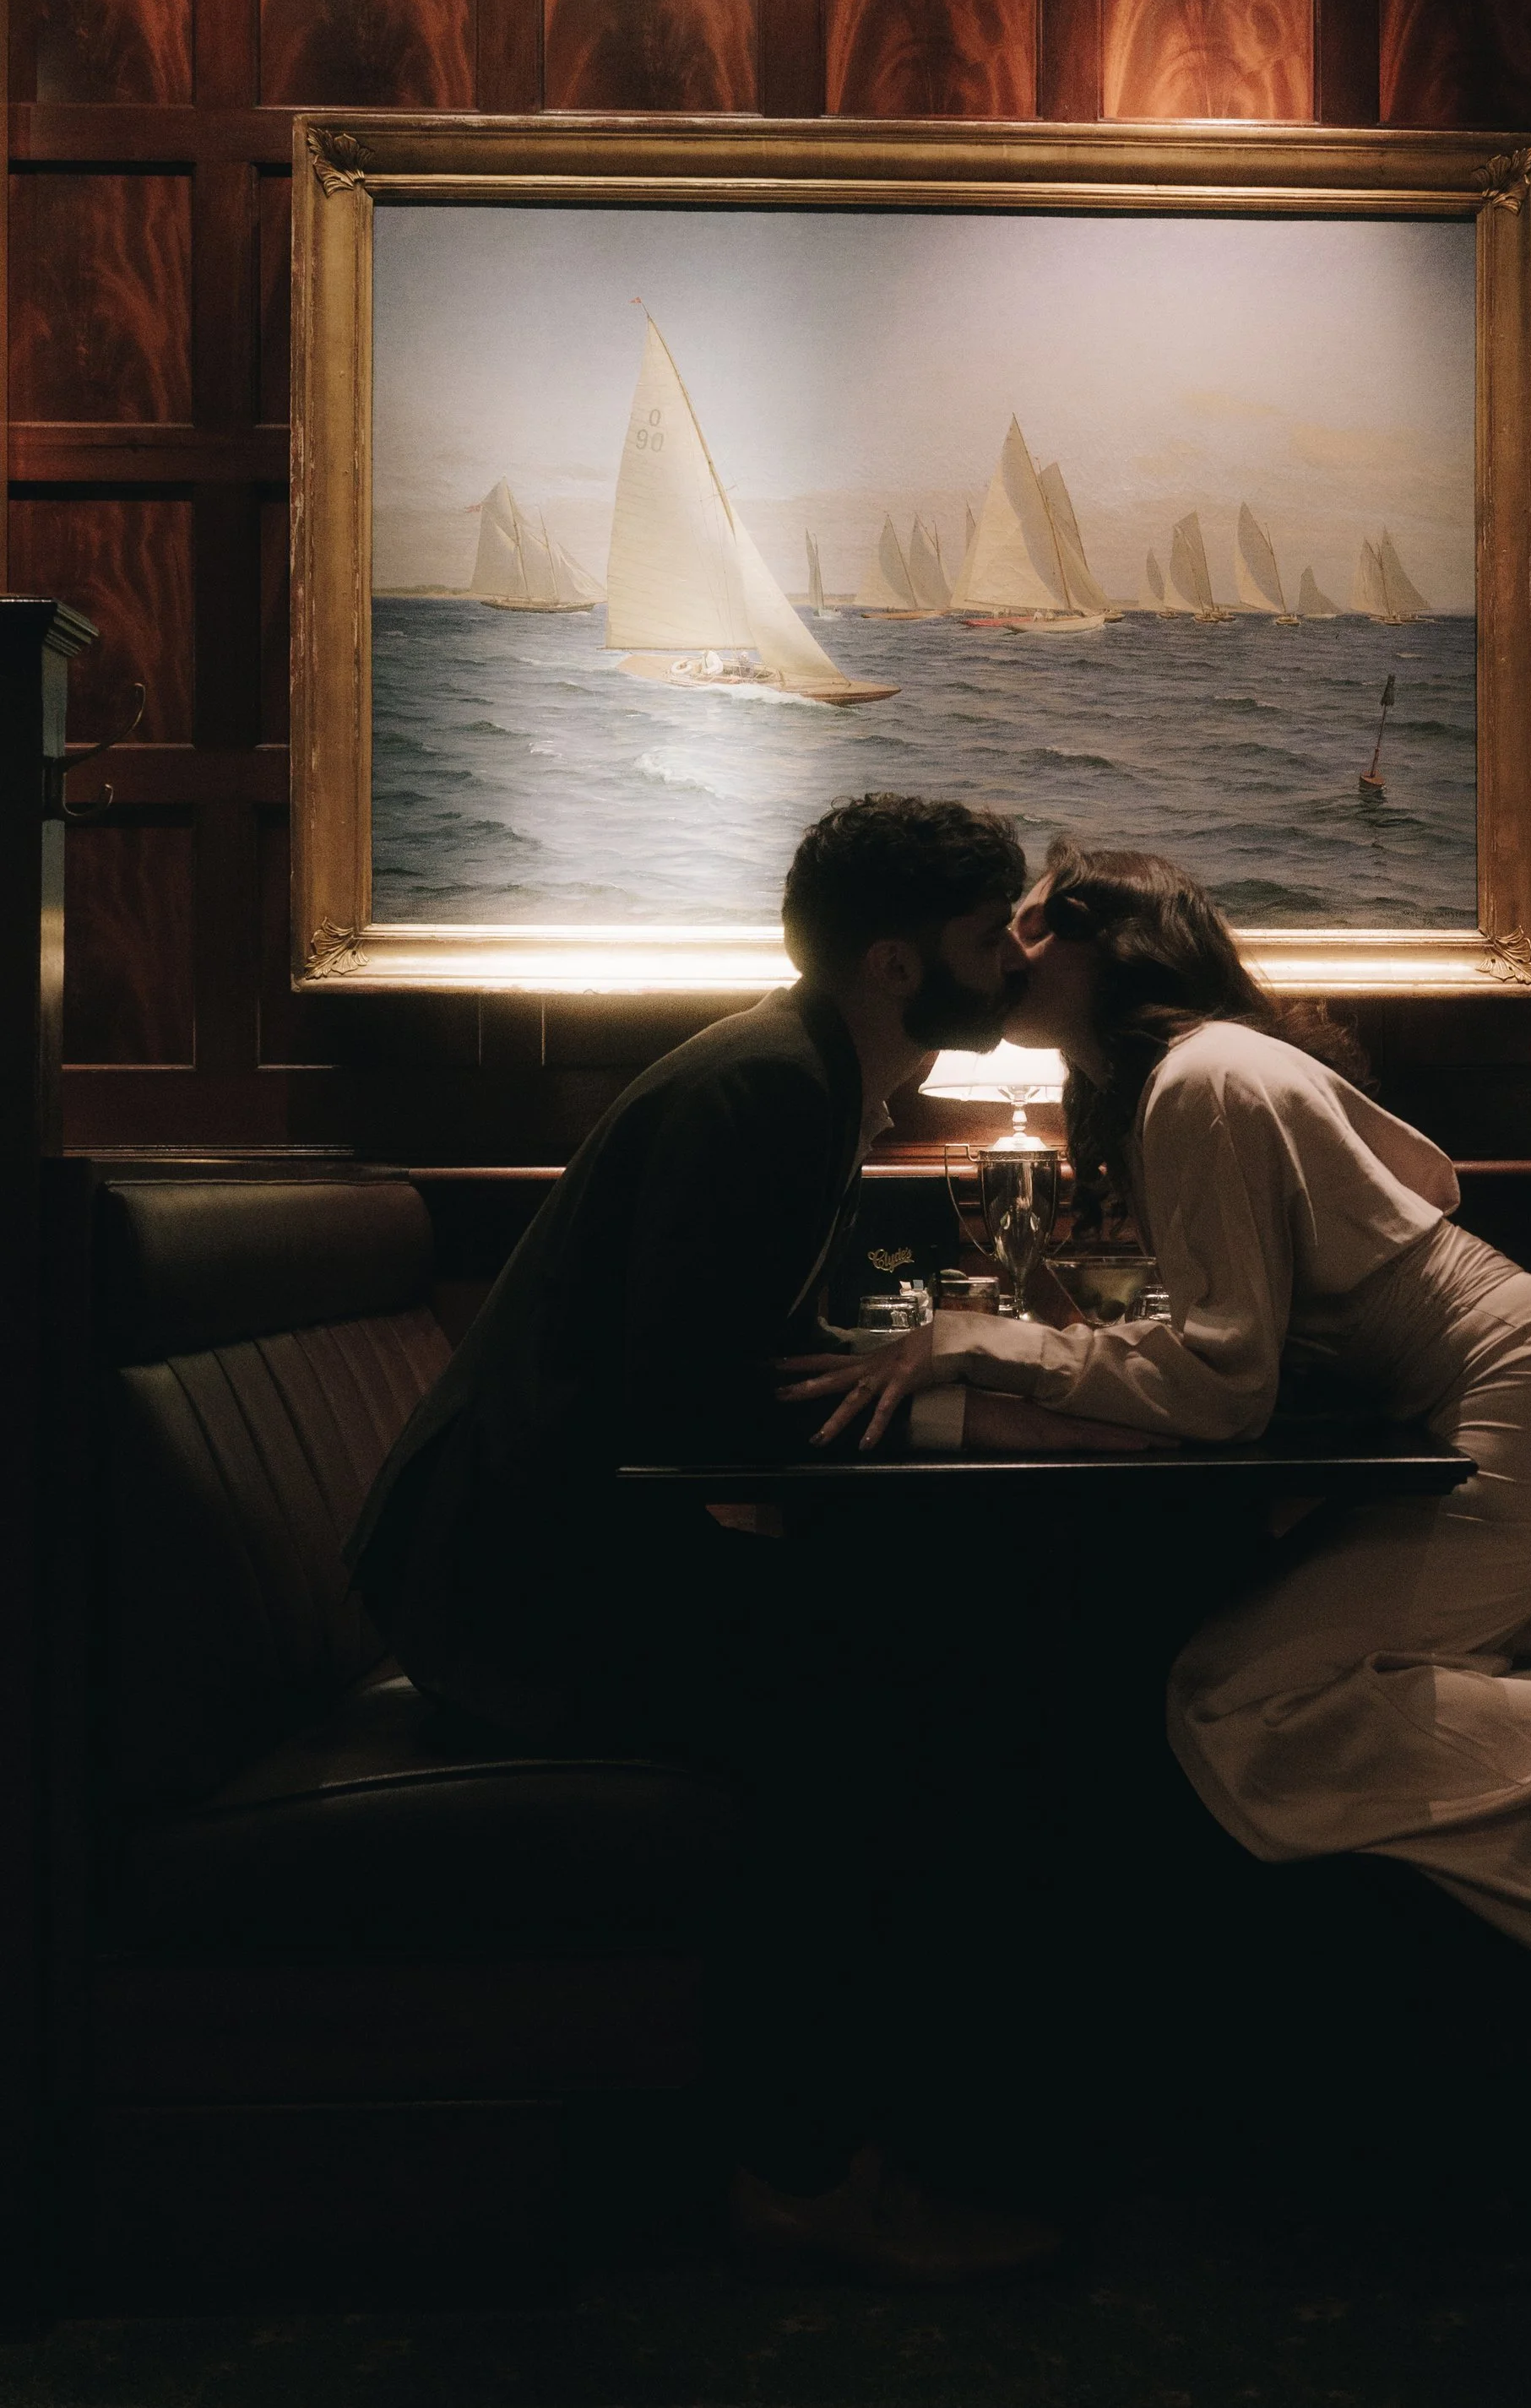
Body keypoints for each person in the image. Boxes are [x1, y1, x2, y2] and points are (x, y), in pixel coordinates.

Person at [781, 839, 1531, 1983]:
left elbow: (1222, 1383)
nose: (1002, 956)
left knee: (1235, 1701)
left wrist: (982, 1339)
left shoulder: (1203, 1078)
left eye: (1032, 928)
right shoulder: (1200, 1071)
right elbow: (1250, 1347)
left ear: (1109, 945)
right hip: (1527, 1396)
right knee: (1245, 1680)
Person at [349, 794, 1152, 2283]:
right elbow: (685, 1407)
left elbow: (719, 1383)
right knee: (888, 1726)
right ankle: (804, 2173)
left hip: (522, 1554)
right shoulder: (769, 1091)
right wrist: (946, 1405)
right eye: (991, 939)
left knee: (934, 1674)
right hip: (504, 1596)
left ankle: (900, 2132)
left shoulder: (796, 1071)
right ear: (903, 965)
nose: (1014, 963)